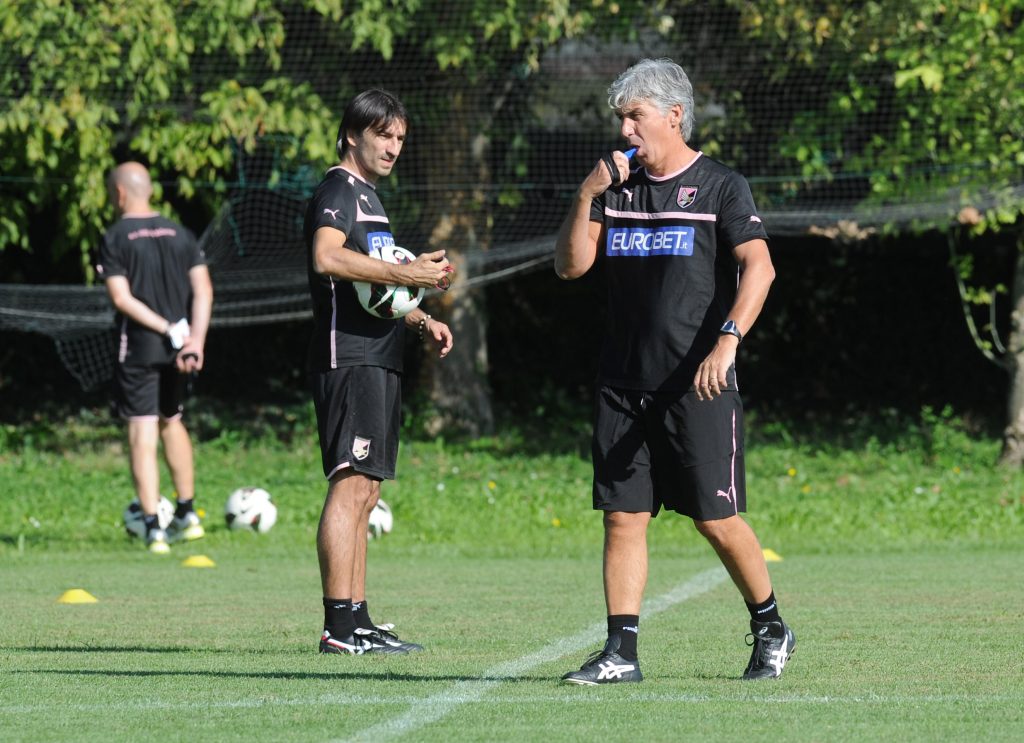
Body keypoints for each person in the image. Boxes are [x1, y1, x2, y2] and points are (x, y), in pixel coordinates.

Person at [554, 58, 795, 684]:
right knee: (623, 517)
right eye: (621, 118)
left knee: (715, 519)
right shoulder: (614, 188)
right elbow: (572, 267)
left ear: (674, 114)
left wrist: (728, 341)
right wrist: (586, 194)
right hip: (622, 382)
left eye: (635, 116)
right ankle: (621, 653)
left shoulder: (719, 185)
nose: (626, 130)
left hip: (698, 384)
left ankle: (770, 625)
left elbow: (760, 268)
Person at [304, 89, 454, 655]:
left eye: (399, 139)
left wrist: (419, 316)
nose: (392, 147)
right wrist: (410, 273)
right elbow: (327, 257)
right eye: (382, 135)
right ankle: (338, 628)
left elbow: (376, 285)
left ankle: (358, 620)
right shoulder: (338, 190)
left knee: (367, 490)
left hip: (380, 356)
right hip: (349, 357)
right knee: (350, 484)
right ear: (352, 135)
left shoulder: (370, 197)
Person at [97, 162, 213, 555]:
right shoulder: (180, 233)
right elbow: (204, 290)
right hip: (181, 349)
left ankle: (153, 527)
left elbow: (121, 298)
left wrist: (164, 328)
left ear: (119, 194)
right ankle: (187, 512)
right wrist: (193, 339)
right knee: (173, 418)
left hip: (142, 348)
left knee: (141, 430)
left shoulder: (115, 237)